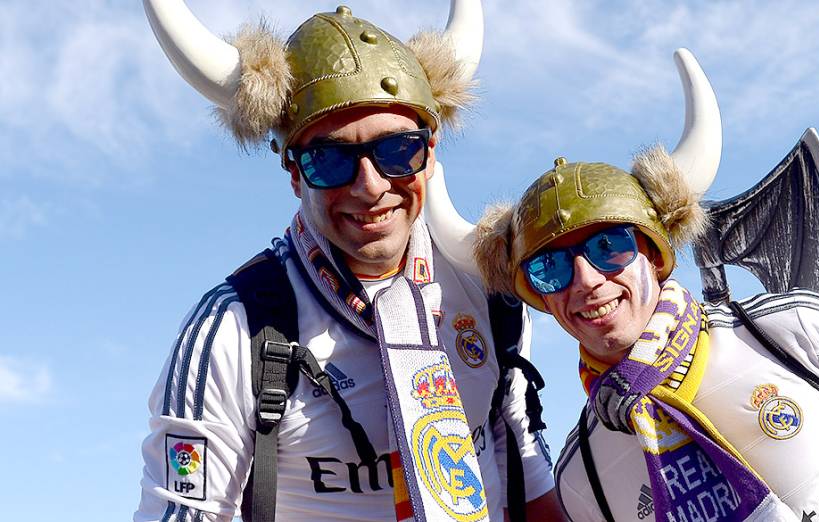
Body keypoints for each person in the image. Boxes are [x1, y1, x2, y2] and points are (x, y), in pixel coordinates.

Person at [134, 2, 560, 521]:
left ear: (431, 150)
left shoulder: (489, 292)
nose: (371, 186)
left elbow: (524, 470)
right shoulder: (234, 328)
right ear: (294, 174)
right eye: (330, 159)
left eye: (398, 150)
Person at [470, 51, 819, 521]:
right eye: (551, 268)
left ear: (653, 254)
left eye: (609, 246)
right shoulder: (583, 477)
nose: (586, 280)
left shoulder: (795, 331)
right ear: (541, 298)